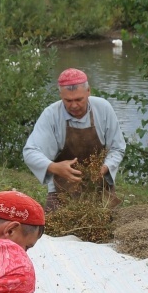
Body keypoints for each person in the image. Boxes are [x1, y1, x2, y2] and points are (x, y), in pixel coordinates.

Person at [22, 68, 126, 210]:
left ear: (88, 91)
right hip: (61, 191)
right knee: (54, 231)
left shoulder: (103, 108)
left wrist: (104, 167)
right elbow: (30, 152)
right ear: (60, 95)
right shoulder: (51, 115)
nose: (74, 105)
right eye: (68, 100)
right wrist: (55, 167)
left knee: (108, 228)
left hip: (101, 190)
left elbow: (117, 148)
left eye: (79, 99)